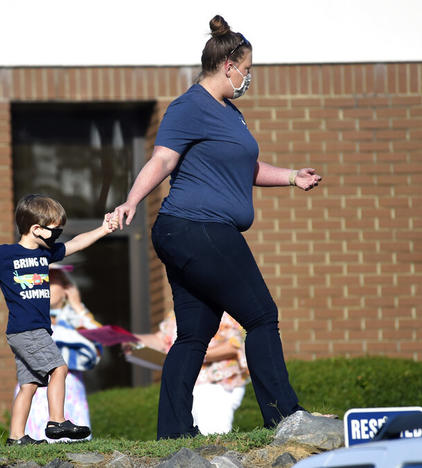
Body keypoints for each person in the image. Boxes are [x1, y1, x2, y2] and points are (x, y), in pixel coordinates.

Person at [112, 15, 322, 439]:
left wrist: (290, 177)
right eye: (247, 69)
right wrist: (131, 200)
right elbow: (163, 160)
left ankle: (173, 433)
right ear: (229, 66)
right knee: (262, 316)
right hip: (197, 228)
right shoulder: (189, 106)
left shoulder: (231, 114)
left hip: (190, 232)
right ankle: (286, 419)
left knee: (194, 333)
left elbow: (247, 166)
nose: (249, 77)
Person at [0, 194, 118, 445]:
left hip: (28, 331)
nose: (58, 236)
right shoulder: (6, 255)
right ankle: (57, 421)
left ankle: (16, 437)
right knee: (59, 368)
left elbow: (78, 244)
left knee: (29, 384)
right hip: (27, 330)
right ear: (36, 229)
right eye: (55, 231)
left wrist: (104, 229)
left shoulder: (45, 254)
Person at [18, 265, 101, 442]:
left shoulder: (74, 318)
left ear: (66, 289)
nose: (43, 287)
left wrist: (78, 307)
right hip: (37, 387)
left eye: (51, 282)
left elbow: (98, 341)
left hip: (70, 387)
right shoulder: (28, 316)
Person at [131, 312, 249, 435]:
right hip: (185, 385)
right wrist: (129, 339)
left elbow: (234, 345)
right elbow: (161, 339)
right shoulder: (181, 311)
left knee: (211, 436)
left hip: (216, 385)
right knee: (186, 440)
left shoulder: (226, 310)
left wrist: (190, 354)